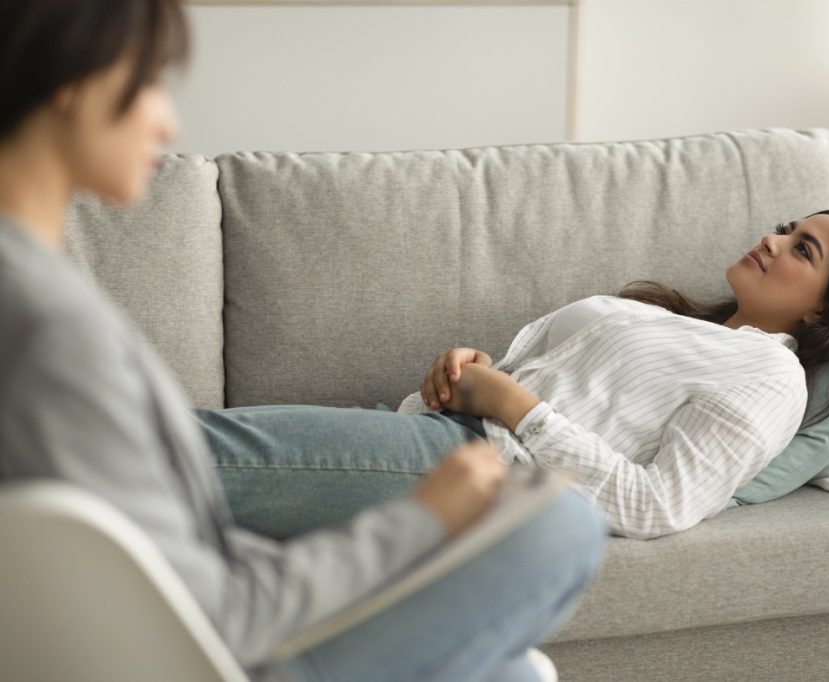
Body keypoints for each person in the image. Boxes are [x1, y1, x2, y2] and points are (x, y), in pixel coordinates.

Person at [0, 2, 607, 682]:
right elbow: (217, 612)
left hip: (185, 630)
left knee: (509, 675)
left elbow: (167, 558)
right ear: (73, 82)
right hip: (210, 657)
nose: (168, 121)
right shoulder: (47, 325)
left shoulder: (34, 286)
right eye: (149, 81)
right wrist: (425, 521)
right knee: (563, 526)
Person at [199, 209, 829, 542]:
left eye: (803, 249)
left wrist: (515, 404)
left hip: (476, 471)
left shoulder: (771, 377)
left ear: (827, 313)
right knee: (189, 450)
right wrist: (470, 370)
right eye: (787, 227)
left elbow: (658, 505)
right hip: (429, 430)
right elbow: (542, 382)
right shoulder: (676, 321)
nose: (772, 238)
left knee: (192, 450)